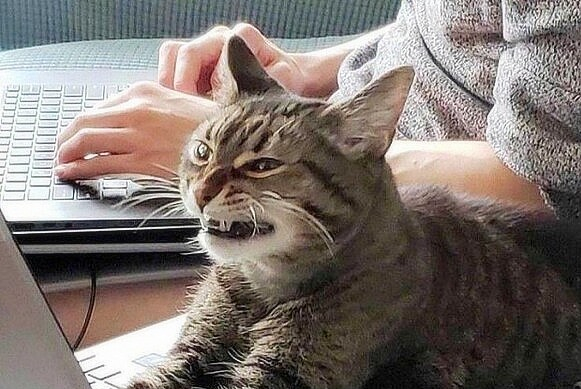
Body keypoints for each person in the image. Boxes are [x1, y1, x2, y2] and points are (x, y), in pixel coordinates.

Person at [55, 1, 581, 220]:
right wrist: (306, 74)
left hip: (404, 249)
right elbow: (465, 27)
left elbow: (549, 186)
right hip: (327, 170)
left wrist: (225, 150)